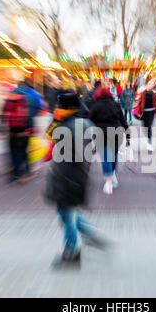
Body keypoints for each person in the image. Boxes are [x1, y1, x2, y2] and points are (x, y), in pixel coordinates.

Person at [43, 90, 107, 268]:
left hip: (66, 175)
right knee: (67, 213)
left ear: (66, 108)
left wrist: (56, 120)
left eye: (59, 106)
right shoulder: (86, 123)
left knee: (66, 215)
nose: (56, 109)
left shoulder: (67, 126)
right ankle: (91, 234)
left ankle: (72, 252)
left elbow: (49, 136)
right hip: (76, 174)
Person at [89, 87, 130, 195]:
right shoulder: (115, 104)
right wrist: (128, 134)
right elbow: (122, 120)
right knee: (114, 156)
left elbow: (90, 120)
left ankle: (108, 181)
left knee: (106, 157)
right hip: (117, 133)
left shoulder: (96, 106)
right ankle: (113, 175)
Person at [2, 90, 33, 184]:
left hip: (11, 132)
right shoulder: (23, 101)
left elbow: (3, 117)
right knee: (22, 152)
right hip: (22, 132)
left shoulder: (7, 101)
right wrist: (30, 130)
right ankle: (21, 173)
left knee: (12, 153)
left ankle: (13, 174)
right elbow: (28, 117)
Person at [136, 78, 156, 152]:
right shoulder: (143, 92)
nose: (150, 85)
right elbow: (139, 102)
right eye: (149, 84)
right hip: (144, 112)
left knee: (149, 127)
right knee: (144, 127)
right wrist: (138, 112)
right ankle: (148, 138)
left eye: (152, 84)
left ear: (153, 86)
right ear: (147, 84)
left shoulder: (155, 94)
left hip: (151, 112)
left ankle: (149, 143)